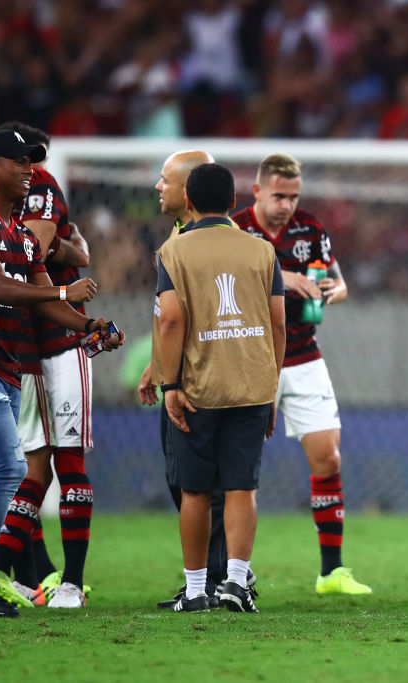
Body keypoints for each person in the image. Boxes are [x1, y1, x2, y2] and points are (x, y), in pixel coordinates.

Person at [0, 130, 122, 618]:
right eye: (20, 161)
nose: (29, 170)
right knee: (12, 468)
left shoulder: (19, 234)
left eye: (32, 162)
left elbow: (44, 301)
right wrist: (64, 294)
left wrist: (89, 326)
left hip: (3, 368)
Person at [233, 154, 371, 595]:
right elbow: (227, 286)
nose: (287, 205)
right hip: (251, 357)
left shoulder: (311, 230)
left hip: (304, 355)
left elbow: (339, 282)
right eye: (279, 196)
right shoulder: (235, 230)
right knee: (237, 467)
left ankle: (332, 572)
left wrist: (334, 292)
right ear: (257, 192)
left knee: (328, 458)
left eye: (293, 196)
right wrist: (284, 278)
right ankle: (230, 570)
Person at [157, 162, 285, 613]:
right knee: (241, 487)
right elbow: (278, 324)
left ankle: (194, 591)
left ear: (188, 202)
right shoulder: (261, 250)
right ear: (235, 203)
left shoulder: (174, 251)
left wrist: (169, 383)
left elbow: (171, 319)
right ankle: (234, 582)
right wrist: (271, 385)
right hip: (251, 384)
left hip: (197, 387)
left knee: (195, 491)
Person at [137, 149, 250, 609]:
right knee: (187, 484)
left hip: (203, 383)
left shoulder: (220, 242)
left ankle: (222, 581)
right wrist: (156, 366)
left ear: (187, 193)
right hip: (180, 376)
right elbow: (168, 315)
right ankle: (216, 578)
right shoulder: (178, 235)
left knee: (208, 488)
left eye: (165, 180)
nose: (157, 187)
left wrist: (174, 380)